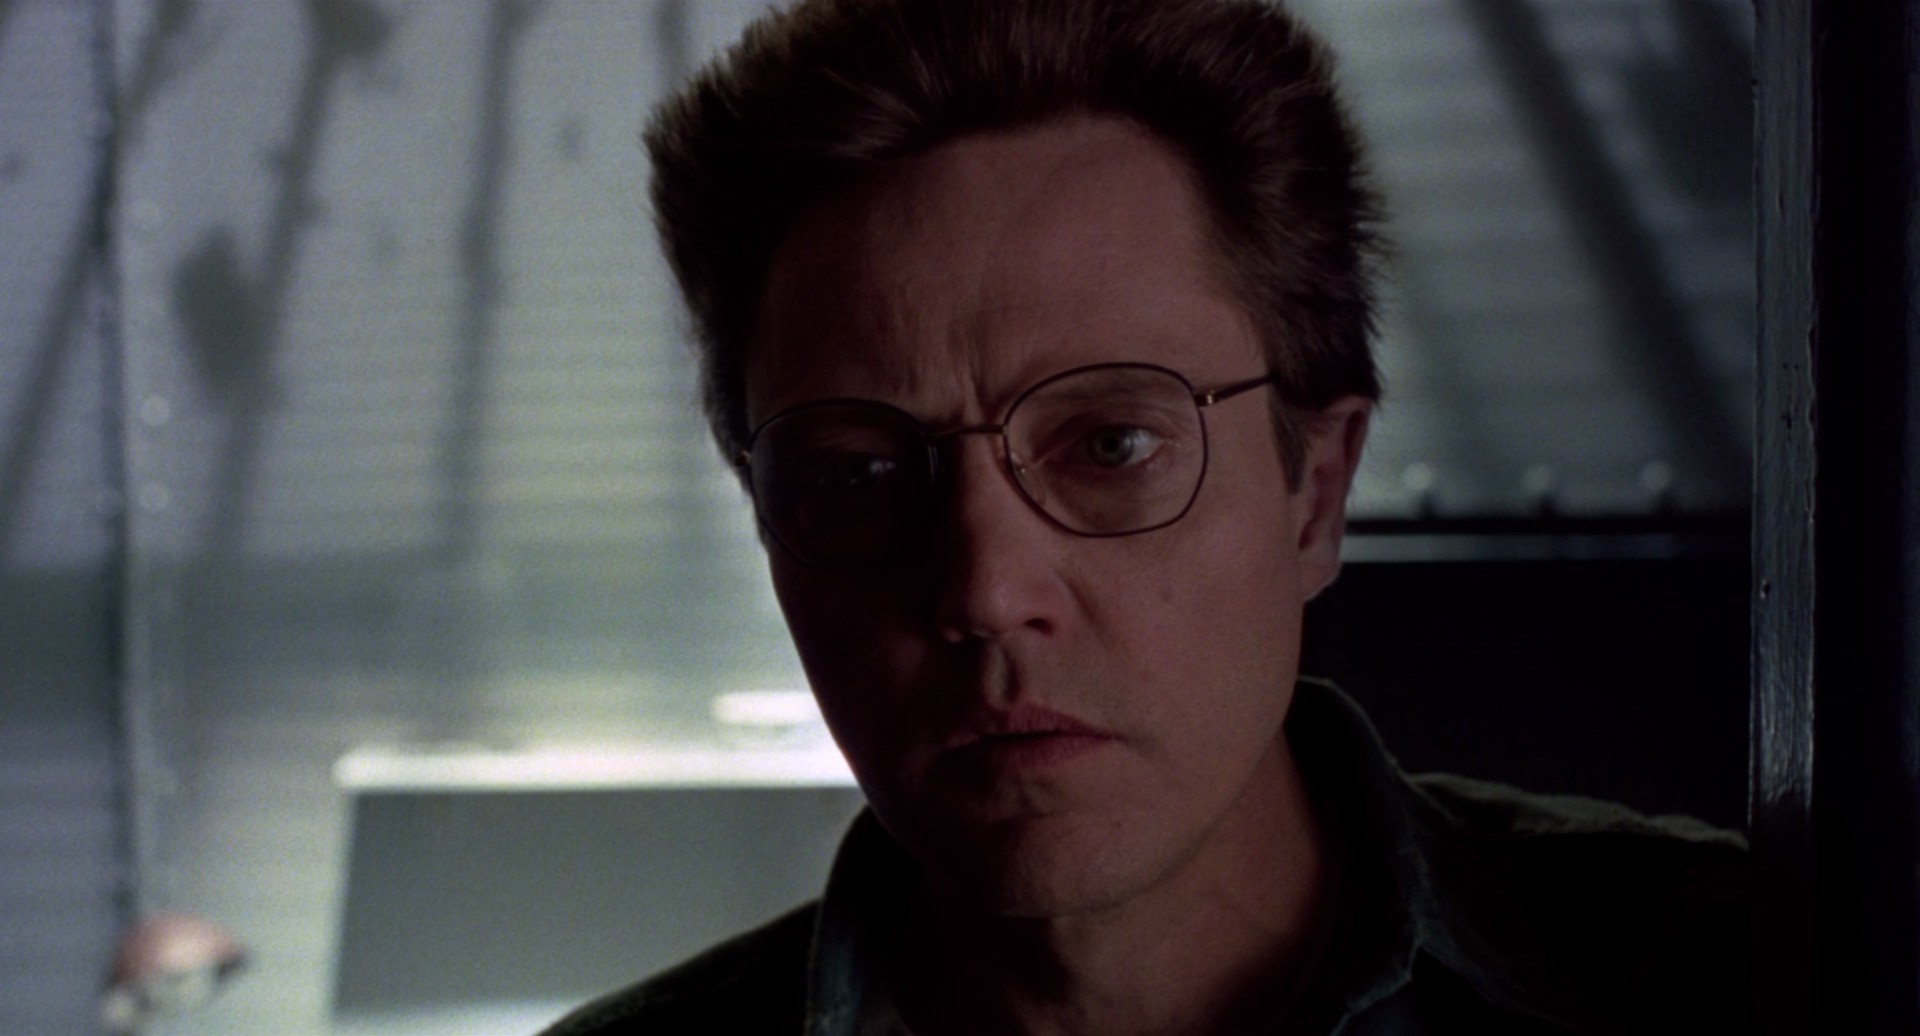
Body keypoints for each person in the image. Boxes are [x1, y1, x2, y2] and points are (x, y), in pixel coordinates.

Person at [542, 1, 1749, 1032]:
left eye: (1113, 444)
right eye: (857, 474)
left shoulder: (1744, 973)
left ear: (1315, 492)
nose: (986, 590)